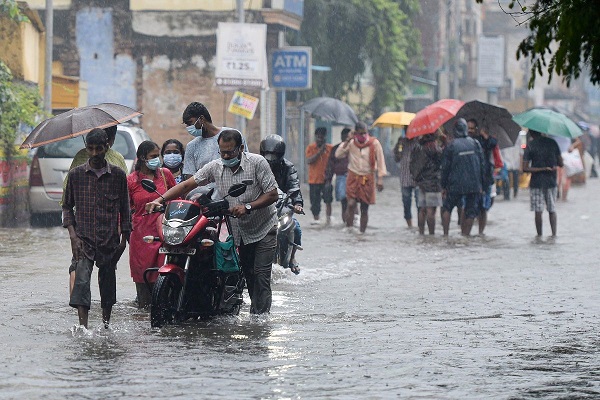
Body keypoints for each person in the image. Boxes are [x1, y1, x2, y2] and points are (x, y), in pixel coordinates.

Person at [146, 130, 278, 314]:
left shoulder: (257, 163)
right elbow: (187, 185)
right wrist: (159, 200)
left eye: (230, 152)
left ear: (240, 148)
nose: (225, 156)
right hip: (239, 231)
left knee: (261, 276)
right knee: (249, 275)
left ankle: (260, 323)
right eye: (222, 152)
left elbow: (272, 194)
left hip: (264, 228)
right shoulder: (215, 166)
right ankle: (252, 311)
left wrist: (247, 207)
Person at [62, 128, 131, 329]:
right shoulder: (76, 175)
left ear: (107, 147)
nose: (94, 153)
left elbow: (125, 209)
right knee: (81, 283)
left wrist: (124, 242)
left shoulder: (118, 175)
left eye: (98, 149)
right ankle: (83, 328)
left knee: (107, 286)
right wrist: (73, 237)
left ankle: (106, 325)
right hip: (83, 240)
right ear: (86, 148)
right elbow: (67, 207)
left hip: (109, 239)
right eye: (90, 149)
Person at [127, 141, 177, 308]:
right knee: (142, 279)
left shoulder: (165, 174)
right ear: (142, 158)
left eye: (158, 156)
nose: (157, 160)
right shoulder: (131, 181)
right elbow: (125, 209)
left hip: (164, 232)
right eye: (153, 156)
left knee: (165, 276)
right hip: (141, 236)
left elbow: (177, 198)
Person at [260, 134, 304, 274]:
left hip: (282, 206)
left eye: (274, 155)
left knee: (296, 227)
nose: (270, 158)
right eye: (268, 154)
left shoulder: (288, 167)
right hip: (261, 205)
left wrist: (297, 203)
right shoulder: (258, 165)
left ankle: (292, 258)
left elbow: (294, 186)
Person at [335, 121, 387, 234]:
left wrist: (380, 180)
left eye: (365, 133)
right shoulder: (351, 143)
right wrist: (347, 140)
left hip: (368, 178)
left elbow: (381, 162)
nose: (363, 136)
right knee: (351, 204)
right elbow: (338, 154)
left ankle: (362, 233)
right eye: (360, 133)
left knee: (364, 208)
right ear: (355, 133)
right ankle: (349, 229)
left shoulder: (375, 143)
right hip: (353, 176)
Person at [440, 119, 485, 236]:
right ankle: (466, 236)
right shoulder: (476, 144)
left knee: (447, 208)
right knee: (471, 212)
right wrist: (482, 185)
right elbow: (482, 165)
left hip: (455, 184)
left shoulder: (451, 146)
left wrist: (443, 186)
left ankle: (445, 235)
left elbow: (445, 168)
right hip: (473, 185)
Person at [181, 101, 246, 181]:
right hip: (204, 192)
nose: (188, 127)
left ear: (201, 119)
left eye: (190, 123)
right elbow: (190, 180)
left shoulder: (233, 135)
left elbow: (246, 164)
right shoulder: (192, 146)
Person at [522, 130, 563, 237]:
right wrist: (549, 166)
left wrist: (541, 169)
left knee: (538, 211)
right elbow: (561, 163)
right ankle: (554, 235)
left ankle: (539, 236)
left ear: (531, 133)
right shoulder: (552, 143)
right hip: (551, 181)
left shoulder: (530, 146)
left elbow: (525, 168)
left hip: (536, 182)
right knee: (552, 209)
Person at [409, 131, 444, 235]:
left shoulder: (417, 147)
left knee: (422, 209)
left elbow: (412, 164)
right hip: (433, 182)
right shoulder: (434, 148)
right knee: (431, 211)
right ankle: (431, 235)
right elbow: (441, 161)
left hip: (421, 182)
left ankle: (421, 233)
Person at [467, 119, 498, 235]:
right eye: (468, 128)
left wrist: (486, 136)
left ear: (476, 129)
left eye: (472, 128)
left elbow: (494, 143)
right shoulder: (465, 141)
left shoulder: (483, 140)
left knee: (483, 208)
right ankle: (465, 233)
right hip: (469, 179)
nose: (470, 130)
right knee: (467, 207)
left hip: (485, 178)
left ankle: (481, 233)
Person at [305, 127, 333, 225]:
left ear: (325, 137)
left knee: (328, 200)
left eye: (322, 137)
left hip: (326, 180)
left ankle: (328, 220)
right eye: (318, 137)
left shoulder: (330, 148)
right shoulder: (310, 148)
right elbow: (309, 160)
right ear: (315, 137)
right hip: (314, 181)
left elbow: (334, 162)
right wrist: (320, 152)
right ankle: (316, 220)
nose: (320, 139)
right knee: (315, 204)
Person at [325, 128, 350, 223]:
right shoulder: (335, 149)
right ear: (342, 137)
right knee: (344, 201)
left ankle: (352, 223)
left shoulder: (355, 147)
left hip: (353, 177)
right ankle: (346, 224)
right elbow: (330, 165)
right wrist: (328, 180)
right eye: (346, 137)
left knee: (353, 202)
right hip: (341, 177)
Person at [393, 135, 419, 228]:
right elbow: (397, 158)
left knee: (419, 203)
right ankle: (410, 226)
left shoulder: (419, 141)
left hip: (417, 178)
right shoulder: (401, 142)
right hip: (405, 177)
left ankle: (420, 225)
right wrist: (398, 146)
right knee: (406, 202)